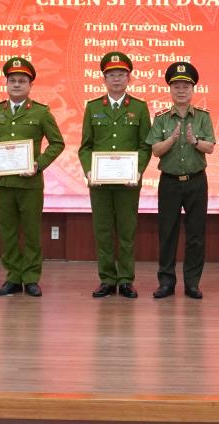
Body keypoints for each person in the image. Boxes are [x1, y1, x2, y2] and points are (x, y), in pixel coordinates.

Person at [0, 57, 64, 298]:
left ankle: (31, 278)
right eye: (13, 80)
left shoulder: (41, 112)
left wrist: (39, 164)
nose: (17, 84)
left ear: (30, 85)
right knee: (7, 232)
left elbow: (57, 143)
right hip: (4, 184)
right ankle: (13, 278)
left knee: (31, 232)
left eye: (22, 81)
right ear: (6, 84)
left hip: (30, 183)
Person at [78, 51, 152, 299]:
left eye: (121, 74)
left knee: (127, 232)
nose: (116, 79)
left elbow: (145, 145)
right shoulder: (93, 107)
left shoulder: (139, 108)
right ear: (104, 79)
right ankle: (107, 280)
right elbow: (85, 146)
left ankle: (126, 280)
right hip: (99, 183)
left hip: (128, 183)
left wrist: (137, 171)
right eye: (111, 75)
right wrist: (89, 170)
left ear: (129, 78)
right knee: (103, 231)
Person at [145, 61, 215, 300]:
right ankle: (166, 282)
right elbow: (155, 150)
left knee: (196, 234)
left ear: (193, 89)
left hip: (196, 181)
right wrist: (172, 139)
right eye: (177, 86)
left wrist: (195, 141)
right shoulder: (162, 118)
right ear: (170, 89)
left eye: (186, 86)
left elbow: (210, 147)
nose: (181, 90)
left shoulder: (203, 117)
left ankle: (192, 283)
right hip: (170, 182)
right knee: (167, 233)